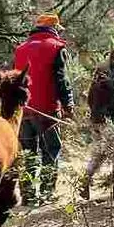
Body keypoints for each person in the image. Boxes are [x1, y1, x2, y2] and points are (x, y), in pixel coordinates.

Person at [12, 12, 75, 206]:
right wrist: (68, 104)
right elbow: (61, 79)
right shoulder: (57, 48)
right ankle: (47, 194)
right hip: (47, 109)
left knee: (28, 152)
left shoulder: (20, 49)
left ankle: (28, 195)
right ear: (54, 29)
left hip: (24, 110)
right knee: (51, 150)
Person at [81, 49, 114, 200]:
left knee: (99, 153)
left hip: (97, 119)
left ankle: (85, 182)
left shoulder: (98, 75)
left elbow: (89, 99)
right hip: (112, 120)